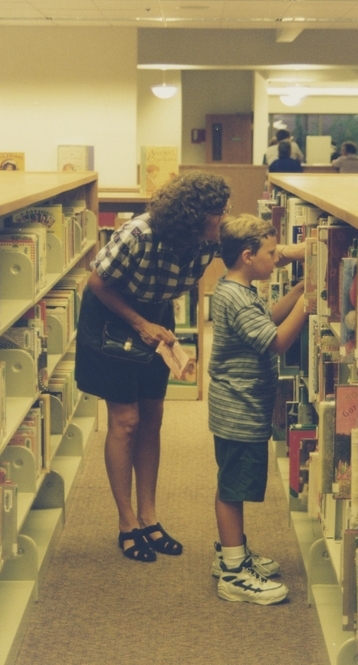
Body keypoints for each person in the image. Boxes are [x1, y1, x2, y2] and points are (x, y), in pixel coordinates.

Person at [75, 171, 231, 562]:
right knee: (125, 420)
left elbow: (252, 249)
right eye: (219, 211)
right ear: (194, 215)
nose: (224, 217)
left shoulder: (209, 240)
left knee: (153, 415)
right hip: (112, 315)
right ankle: (126, 522)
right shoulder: (139, 234)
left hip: (155, 318)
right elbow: (96, 284)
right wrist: (140, 323)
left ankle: (149, 517)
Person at [208, 214, 308, 604]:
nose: (277, 259)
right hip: (239, 409)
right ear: (248, 256)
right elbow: (276, 341)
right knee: (233, 488)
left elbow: (267, 320)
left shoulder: (237, 290)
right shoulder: (236, 297)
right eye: (271, 253)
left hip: (239, 405)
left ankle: (233, 552)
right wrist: (310, 301)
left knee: (233, 482)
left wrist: (300, 288)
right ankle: (233, 572)